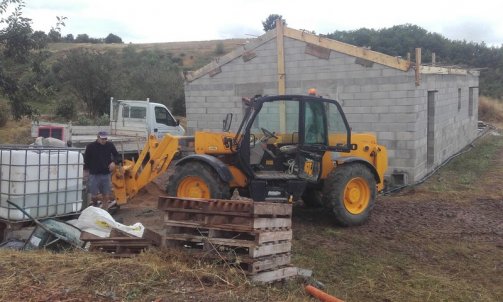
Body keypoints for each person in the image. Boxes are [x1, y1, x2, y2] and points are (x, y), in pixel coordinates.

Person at [84, 131, 121, 210]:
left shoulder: (110, 145)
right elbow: (86, 160)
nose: (104, 140)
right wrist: (85, 172)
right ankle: (94, 204)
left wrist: (114, 162)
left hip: (105, 173)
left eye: (105, 139)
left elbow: (117, 156)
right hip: (94, 173)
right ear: (98, 137)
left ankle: (105, 210)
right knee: (93, 195)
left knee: (106, 194)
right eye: (102, 139)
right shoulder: (90, 146)